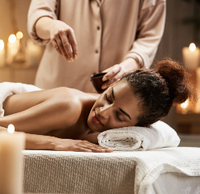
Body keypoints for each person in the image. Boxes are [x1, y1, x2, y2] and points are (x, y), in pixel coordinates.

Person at [0, 59, 193, 152]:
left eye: (120, 116)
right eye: (108, 97)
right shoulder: (70, 107)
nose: (102, 111)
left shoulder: (110, 135)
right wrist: (55, 143)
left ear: (136, 126)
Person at [27, 0, 166, 92]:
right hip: (54, 91)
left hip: (113, 100)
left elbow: (149, 37)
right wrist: (52, 26)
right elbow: (38, 14)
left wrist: (126, 68)